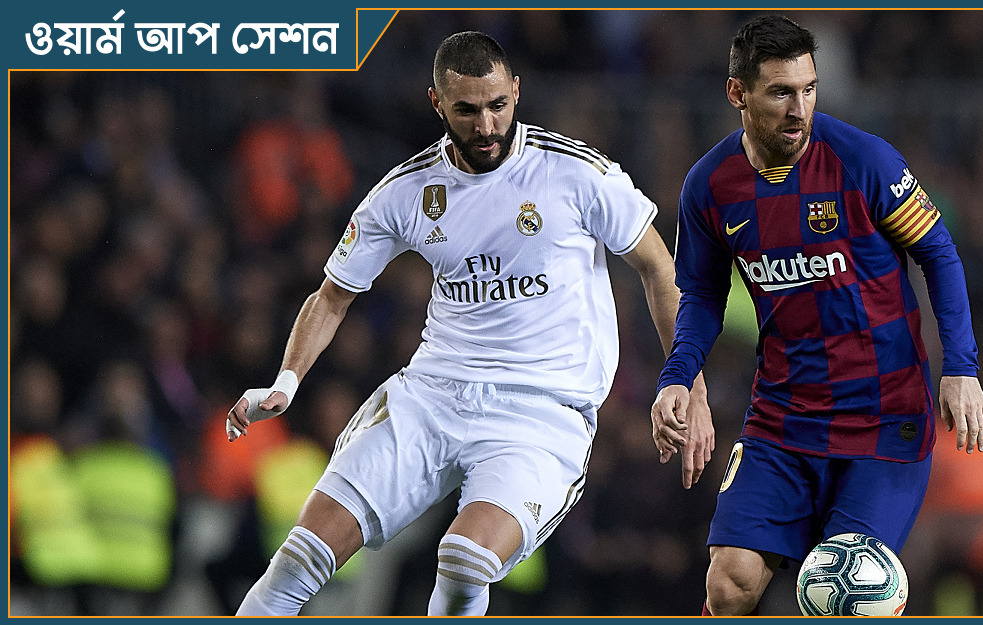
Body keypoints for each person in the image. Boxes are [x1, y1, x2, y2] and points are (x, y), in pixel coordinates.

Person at [226, 31, 712, 616]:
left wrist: (689, 383)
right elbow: (331, 296)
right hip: (431, 395)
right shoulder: (406, 191)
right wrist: (287, 380)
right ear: (437, 103)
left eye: (497, 105)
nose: (486, 126)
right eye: (467, 110)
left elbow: (659, 268)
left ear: (516, 92)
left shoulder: (575, 173)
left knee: (463, 559)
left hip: (540, 412)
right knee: (299, 558)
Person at [650, 15, 983, 616]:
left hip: (882, 418)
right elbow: (701, 295)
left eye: (809, 90)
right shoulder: (709, 185)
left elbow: (938, 251)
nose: (799, 109)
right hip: (783, 417)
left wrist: (961, 368)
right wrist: (679, 375)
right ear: (737, 93)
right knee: (729, 583)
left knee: (843, 600)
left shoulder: (864, 160)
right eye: (781, 93)